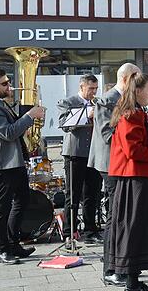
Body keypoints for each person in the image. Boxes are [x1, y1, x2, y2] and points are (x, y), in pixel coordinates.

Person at [105, 73, 148, 291]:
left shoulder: (140, 113)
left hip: (141, 175)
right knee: (134, 228)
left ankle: (134, 279)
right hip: (134, 178)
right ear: (137, 91)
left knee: (141, 228)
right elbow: (132, 150)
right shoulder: (130, 115)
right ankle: (131, 282)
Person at [0, 69, 44, 264]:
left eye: (8, 82)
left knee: (22, 200)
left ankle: (13, 242)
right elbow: (8, 133)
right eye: (5, 84)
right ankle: (2, 250)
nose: (9, 86)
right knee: (2, 207)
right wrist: (30, 116)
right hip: (2, 164)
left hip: (14, 162)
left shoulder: (1, 103)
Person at [89, 63, 140, 286]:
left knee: (120, 214)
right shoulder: (107, 99)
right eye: (137, 79)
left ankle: (120, 264)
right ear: (127, 78)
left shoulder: (129, 100)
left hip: (123, 163)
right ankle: (110, 268)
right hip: (110, 163)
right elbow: (106, 133)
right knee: (114, 215)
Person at [57, 74, 103, 243]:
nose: (93, 92)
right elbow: (64, 124)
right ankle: (70, 230)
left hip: (93, 153)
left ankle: (91, 229)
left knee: (92, 193)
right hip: (75, 154)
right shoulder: (68, 102)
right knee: (73, 193)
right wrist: (86, 115)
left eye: (96, 89)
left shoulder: (97, 103)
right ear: (82, 87)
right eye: (91, 88)